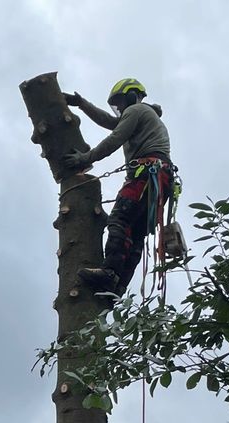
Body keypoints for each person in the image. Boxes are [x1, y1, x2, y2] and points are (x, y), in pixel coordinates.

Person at [63, 78, 174, 294]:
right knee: (135, 233)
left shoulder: (137, 109)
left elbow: (115, 138)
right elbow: (110, 122)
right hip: (161, 179)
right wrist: (82, 103)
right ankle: (118, 285)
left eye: (121, 102)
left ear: (132, 96)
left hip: (146, 174)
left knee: (120, 220)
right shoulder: (142, 114)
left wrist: (84, 159)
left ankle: (110, 273)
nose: (119, 108)